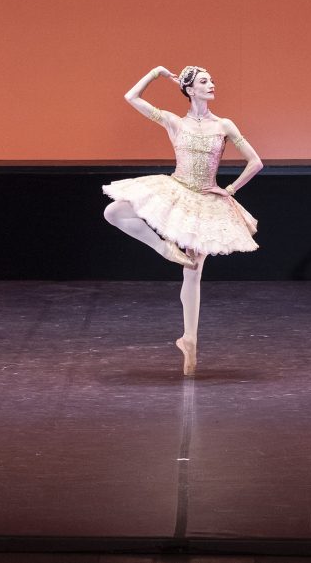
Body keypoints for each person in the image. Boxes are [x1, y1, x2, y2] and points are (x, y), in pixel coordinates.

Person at [107, 66, 264, 376]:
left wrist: (229, 190)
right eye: (204, 81)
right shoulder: (174, 122)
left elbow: (256, 162)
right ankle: (163, 248)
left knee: (192, 273)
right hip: (176, 190)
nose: (212, 84)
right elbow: (131, 96)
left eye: (212, 80)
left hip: (204, 202)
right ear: (190, 89)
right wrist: (156, 73)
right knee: (113, 212)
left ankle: (189, 340)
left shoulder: (224, 125)